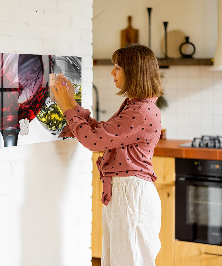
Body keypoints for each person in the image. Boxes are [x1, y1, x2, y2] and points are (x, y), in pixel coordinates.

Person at [51, 44, 163, 266]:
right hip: (126, 193)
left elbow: (94, 141)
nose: (112, 72)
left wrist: (66, 108)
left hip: (131, 195)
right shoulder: (136, 106)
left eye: (118, 67)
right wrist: (72, 103)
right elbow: (102, 133)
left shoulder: (140, 111)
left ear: (134, 72)